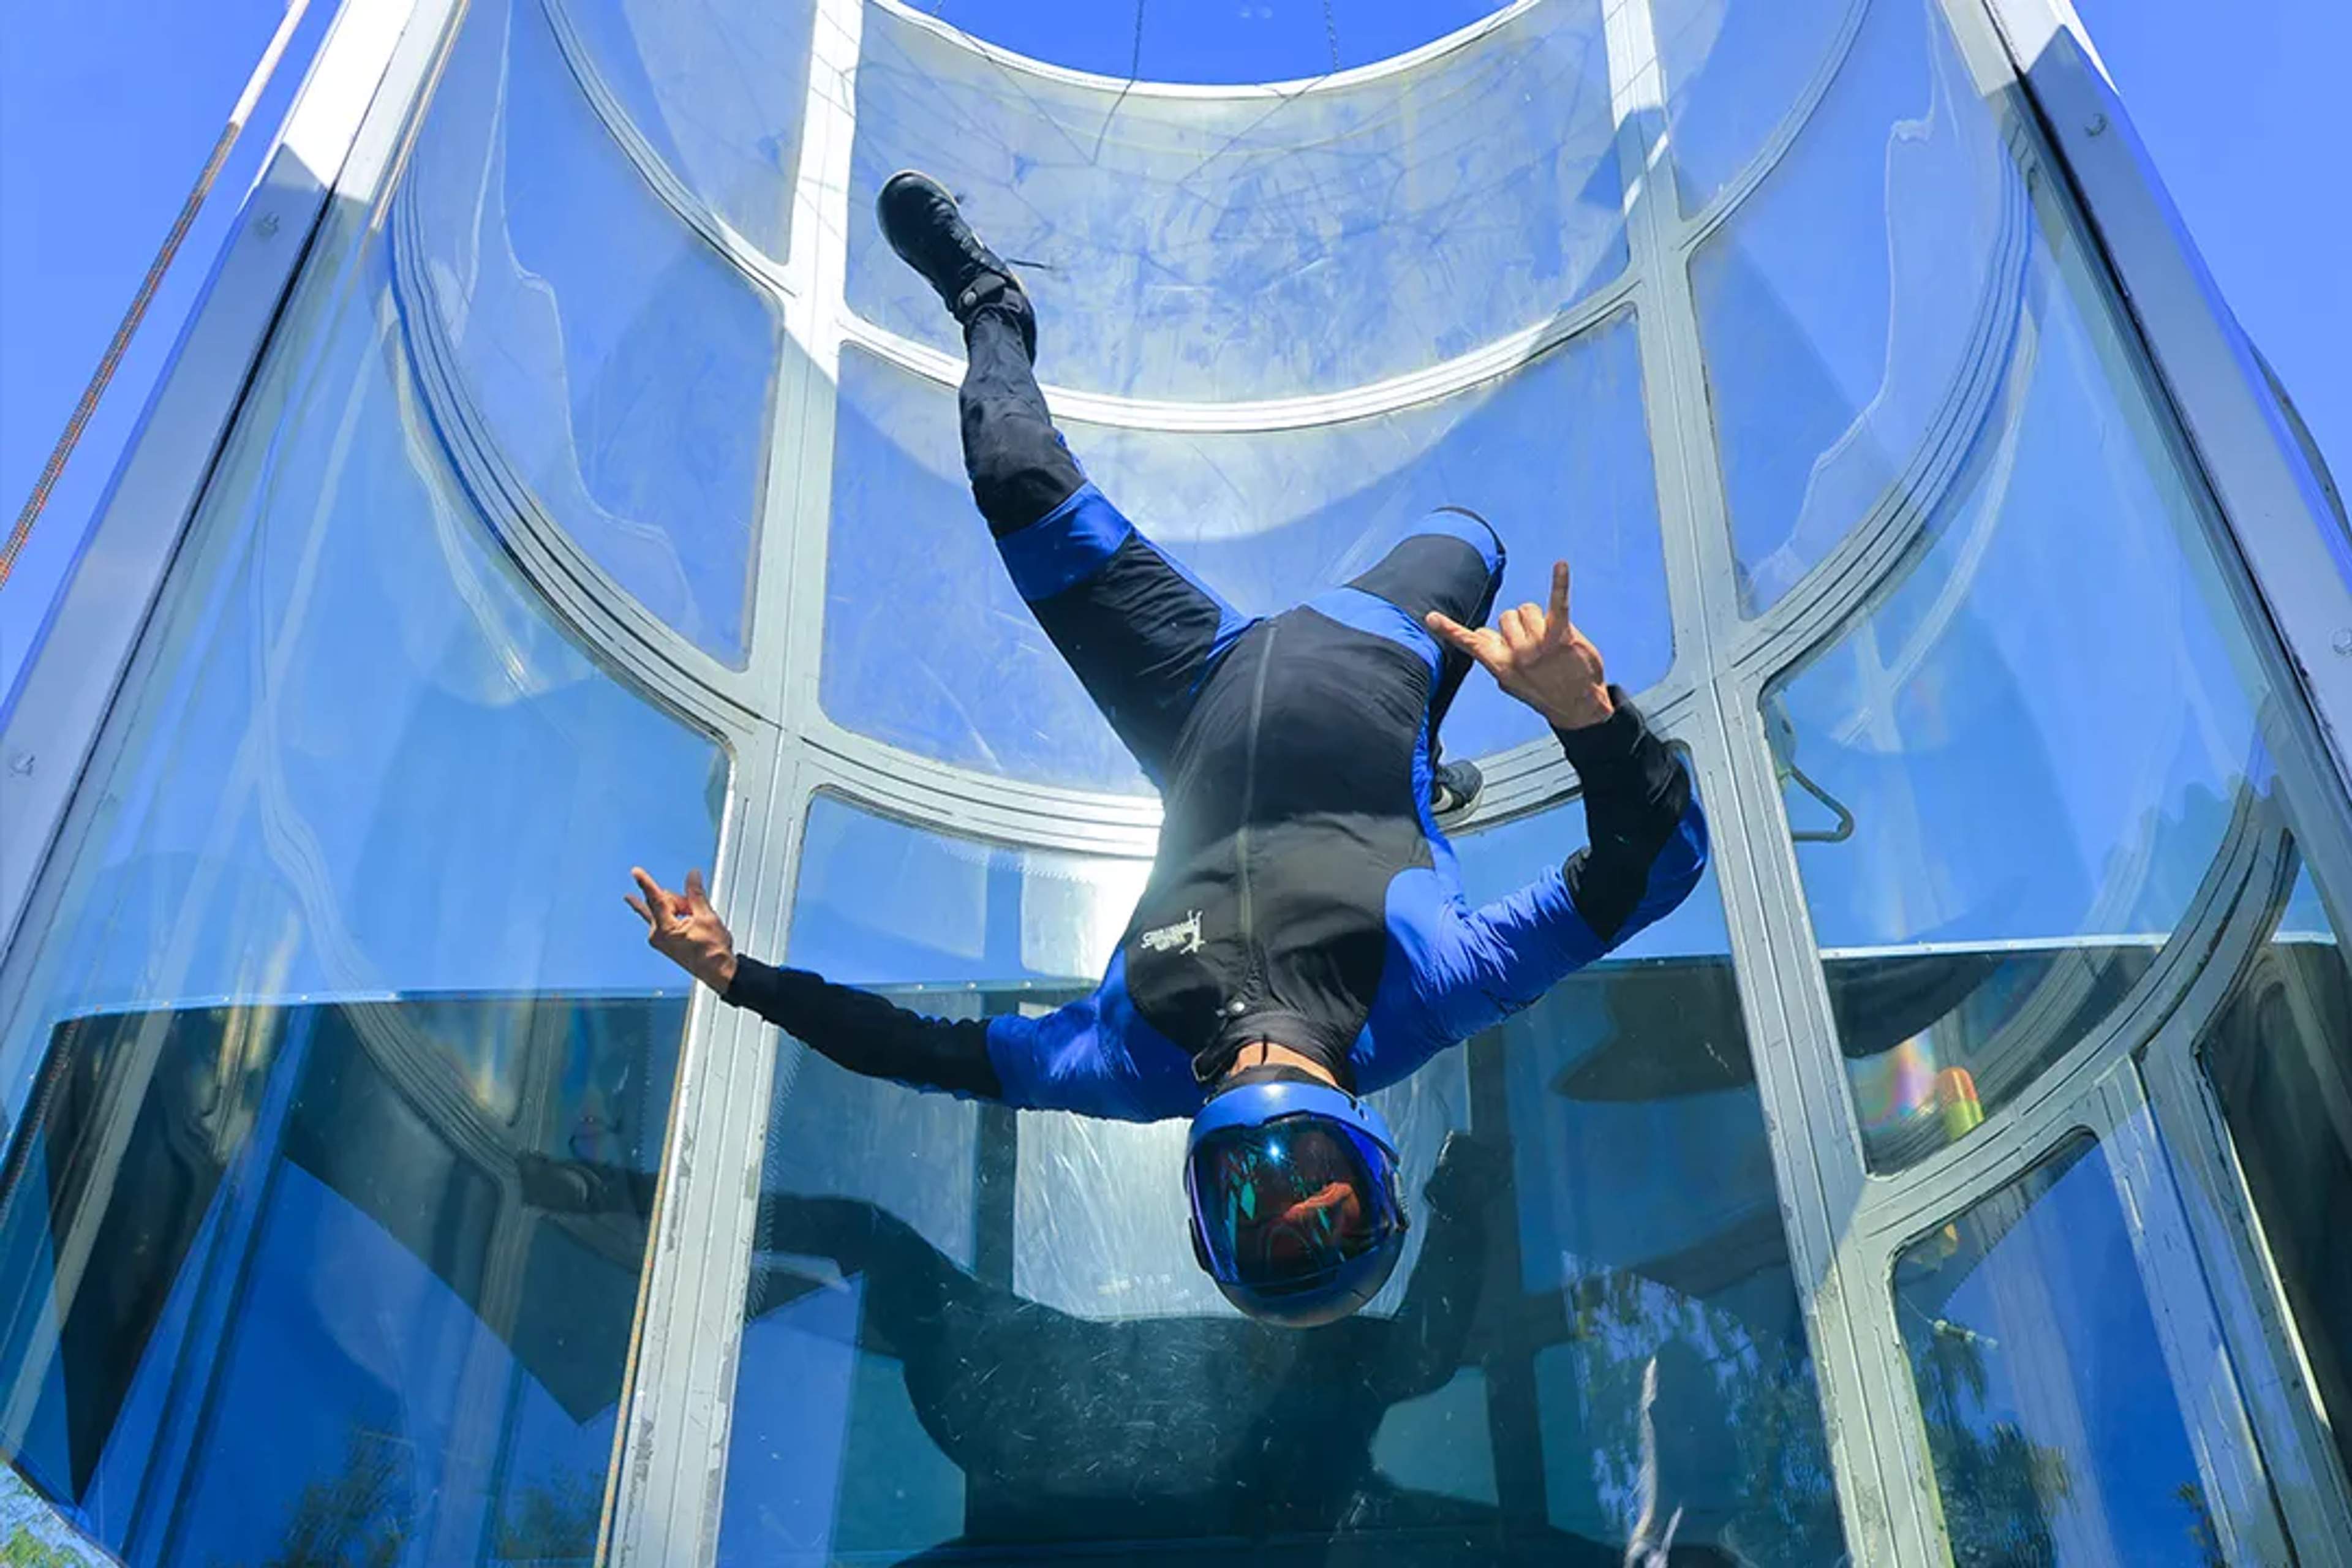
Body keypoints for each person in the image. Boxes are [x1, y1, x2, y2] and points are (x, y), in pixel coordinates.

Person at [627, 172, 1706, 1328]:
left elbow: (922, 1053)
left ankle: (992, 304)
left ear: (1204, 1221)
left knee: (1012, 476)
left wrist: (740, 980)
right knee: (1471, 533)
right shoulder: (1439, 992)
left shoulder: (1121, 1061)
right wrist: (1587, 719)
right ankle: (1426, 769)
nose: (1284, 1198)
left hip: (1186, 697)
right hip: (1373, 657)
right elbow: (1661, 866)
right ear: (1373, 1171)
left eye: (1258, 1229)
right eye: (1325, 1216)